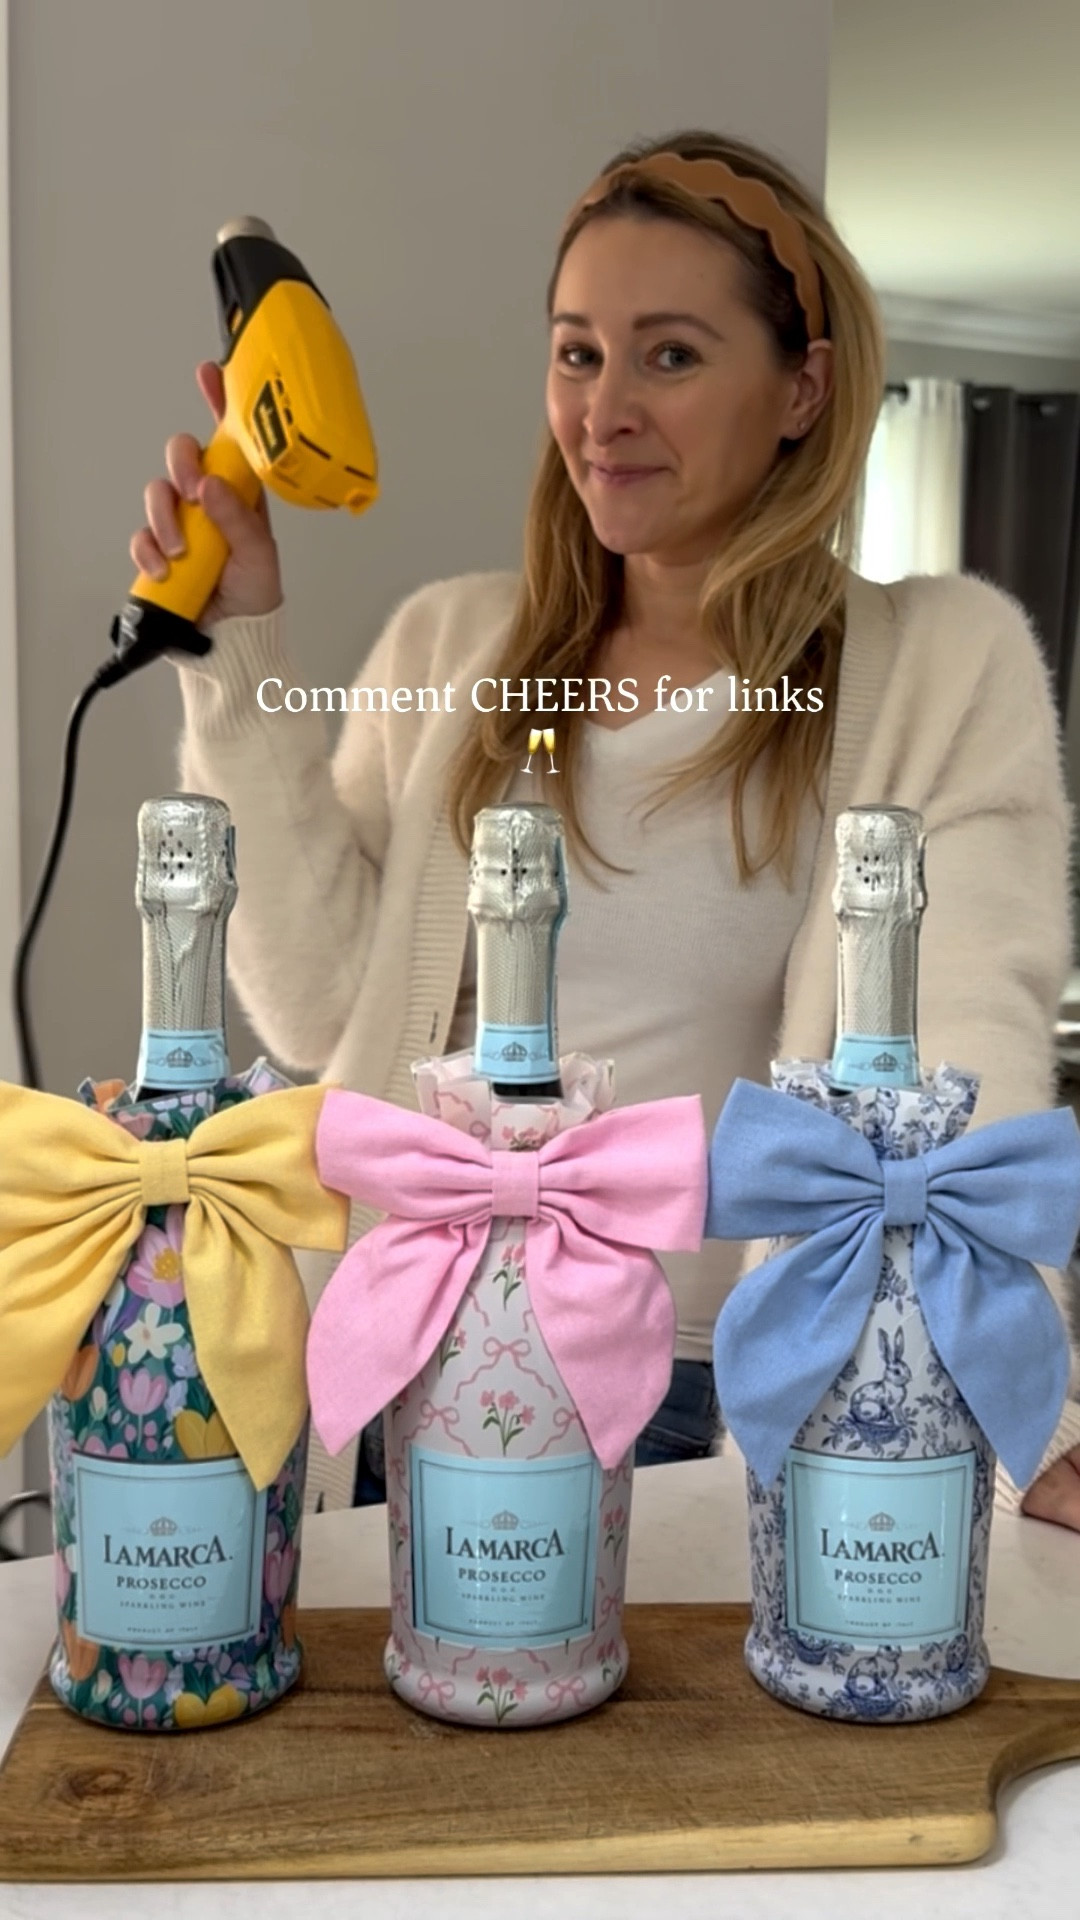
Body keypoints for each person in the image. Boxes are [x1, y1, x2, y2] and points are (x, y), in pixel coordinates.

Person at [131, 127, 1080, 1529]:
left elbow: (970, 1047)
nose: (605, 410)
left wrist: (1017, 1394)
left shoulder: (940, 670)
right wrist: (237, 649)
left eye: (670, 356)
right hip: (416, 1348)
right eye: (577, 354)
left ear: (805, 388)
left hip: (718, 1395)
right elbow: (319, 1004)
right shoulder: (451, 645)